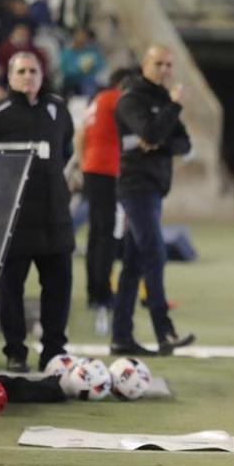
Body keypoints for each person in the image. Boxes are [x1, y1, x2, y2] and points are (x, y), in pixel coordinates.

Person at [0, 52, 75, 372]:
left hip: (54, 219)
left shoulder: (58, 109)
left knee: (59, 289)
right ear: (10, 77)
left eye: (34, 71)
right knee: (10, 291)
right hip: (12, 222)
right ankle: (15, 352)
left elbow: (66, 150)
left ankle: (54, 353)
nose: (28, 77)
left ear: (42, 74)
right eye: (21, 71)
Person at [111, 45, 195, 356]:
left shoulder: (162, 99)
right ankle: (164, 331)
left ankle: (121, 337)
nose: (164, 69)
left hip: (154, 188)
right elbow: (150, 131)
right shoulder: (132, 98)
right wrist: (171, 112)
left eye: (169, 64)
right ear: (144, 64)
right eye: (158, 63)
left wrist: (157, 141)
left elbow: (183, 143)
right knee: (154, 254)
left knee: (133, 264)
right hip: (135, 186)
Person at [67, 67, 133, 335]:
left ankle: (94, 291)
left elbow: (80, 134)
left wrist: (83, 165)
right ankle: (103, 293)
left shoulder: (97, 100)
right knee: (106, 234)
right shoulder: (117, 98)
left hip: (93, 169)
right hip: (107, 170)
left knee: (97, 233)